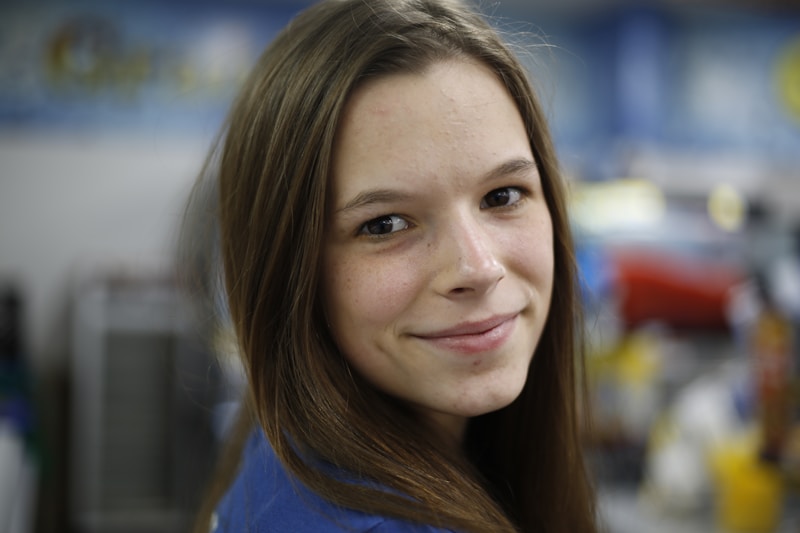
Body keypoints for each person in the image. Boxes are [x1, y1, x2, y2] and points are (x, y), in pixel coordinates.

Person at [186, 0, 597, 531]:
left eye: (502, 195)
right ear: (289, 270)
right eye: (385, 224)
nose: (479, 267)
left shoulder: (286, 452)